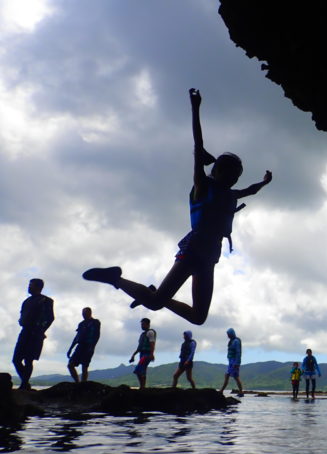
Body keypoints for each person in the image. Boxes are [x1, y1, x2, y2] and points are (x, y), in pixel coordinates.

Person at [82, 88, 273, 326]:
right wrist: (195, 108)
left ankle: (155, 294)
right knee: (153, 302)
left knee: (198, 317)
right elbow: (198, 143)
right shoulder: (202, 185)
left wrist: (264, 183)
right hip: (194, 251)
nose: (235, 179)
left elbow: (250, 190)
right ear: (217, 171)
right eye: (231, 173)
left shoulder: (230, 194)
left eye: (238, 176)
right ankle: (115, 278)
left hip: (211, 256)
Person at [13, 278, 55, 390]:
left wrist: (41, 330)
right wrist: (21, 320)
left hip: (35, 333)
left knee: (29, 359)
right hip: (25, 331)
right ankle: (25, 383)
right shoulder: (26, 301)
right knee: (16, 359)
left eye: (31, 285)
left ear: (38, 287)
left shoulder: (46, 300)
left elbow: (50, 318)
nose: (28, 287)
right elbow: (23, 316)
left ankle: (24, 384)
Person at [67, 307, 101, 383]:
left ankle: (83, 383)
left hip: (89, 346)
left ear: (90, 313)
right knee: (70, 364)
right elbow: (76, 337)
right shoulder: (81, 324)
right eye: (83, 314)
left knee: (84, 366)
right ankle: (77, 382)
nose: (84, 315)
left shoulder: (95, 322)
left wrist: (92, 346)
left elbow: (97, 335)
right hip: (80, 346)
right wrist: (70, 348)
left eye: (85, 313)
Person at [129, 318, 156, 389]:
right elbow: (139, 347)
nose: (142, 326)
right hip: (142, 354)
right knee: (142, 371)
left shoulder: (150, 333)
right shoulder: (142, 335)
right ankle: (142, 387)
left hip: (147, 354)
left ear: (148, 324)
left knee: (138, 370)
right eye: (141, 324)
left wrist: (152, 354)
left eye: (143, 324)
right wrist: (133, 355)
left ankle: (142, 387)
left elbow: (152, 344)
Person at [219, 328, 243, 396]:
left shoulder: (236, 341)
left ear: (231, 334)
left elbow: (238, 352)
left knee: (236, 377)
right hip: (231, 362)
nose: (228, 336)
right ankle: (221, 391)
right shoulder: (231, 341)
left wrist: (237, 363)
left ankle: (241, 392)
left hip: (234, 361)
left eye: (228, 334)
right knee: (227, 375)